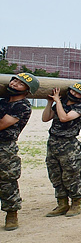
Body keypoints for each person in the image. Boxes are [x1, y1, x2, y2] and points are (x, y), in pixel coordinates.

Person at [43, 82, 81, 217]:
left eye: (78, 93)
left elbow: (64, 118)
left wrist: (58, 101)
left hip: (69, 144)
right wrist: (50, 103)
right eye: (73, 91)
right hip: (53, 142)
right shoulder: (60, 103)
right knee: (55, 174)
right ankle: (62, 203)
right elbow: (45, 118)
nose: (74, 94)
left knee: (71, 174)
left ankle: (76, 202)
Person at [1, 73, 38, 231]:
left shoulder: (22, 106)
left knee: (7, 181)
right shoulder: (3, 102)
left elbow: (2, 124)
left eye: (20, 83)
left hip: (5, 147)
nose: (15, 84)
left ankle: (12, 213)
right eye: (14, 80)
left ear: (27, 90)